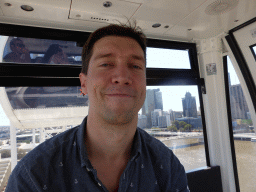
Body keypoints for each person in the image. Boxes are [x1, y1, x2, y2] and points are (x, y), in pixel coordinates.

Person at [6, 24, 189, 192]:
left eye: (135, 66)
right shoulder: (32, 177)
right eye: (106, 64)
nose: (122, 76)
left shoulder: (169, 168)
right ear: (83, 83)